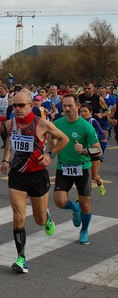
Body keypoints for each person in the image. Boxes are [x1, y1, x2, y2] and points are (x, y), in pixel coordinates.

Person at [0, 92, 69, 274]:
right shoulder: (9, 124)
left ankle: (46, 216)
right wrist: (5, 159)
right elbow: (9, 140)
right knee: (18, 215)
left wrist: (50, 155)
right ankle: (21, 257)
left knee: (39, 220)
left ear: (31, 106)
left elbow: (64, 139)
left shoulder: (42, 124)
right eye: (14, 105)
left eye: (22, 105)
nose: (17, 109)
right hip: (17, 176)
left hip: (38, 176)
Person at [52, 94, 102, 245]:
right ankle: (75, 209)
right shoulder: (57, 123)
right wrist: (51, 142)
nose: (66, 109)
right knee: (59, 201)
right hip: (63, 167)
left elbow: (99, 151)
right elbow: (52, 146)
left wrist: (85, 150)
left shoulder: (86, 126)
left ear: (78, 106)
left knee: (85, 204)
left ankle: (84, 230)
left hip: (82, 168)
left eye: (70, 106)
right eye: (64, 106)